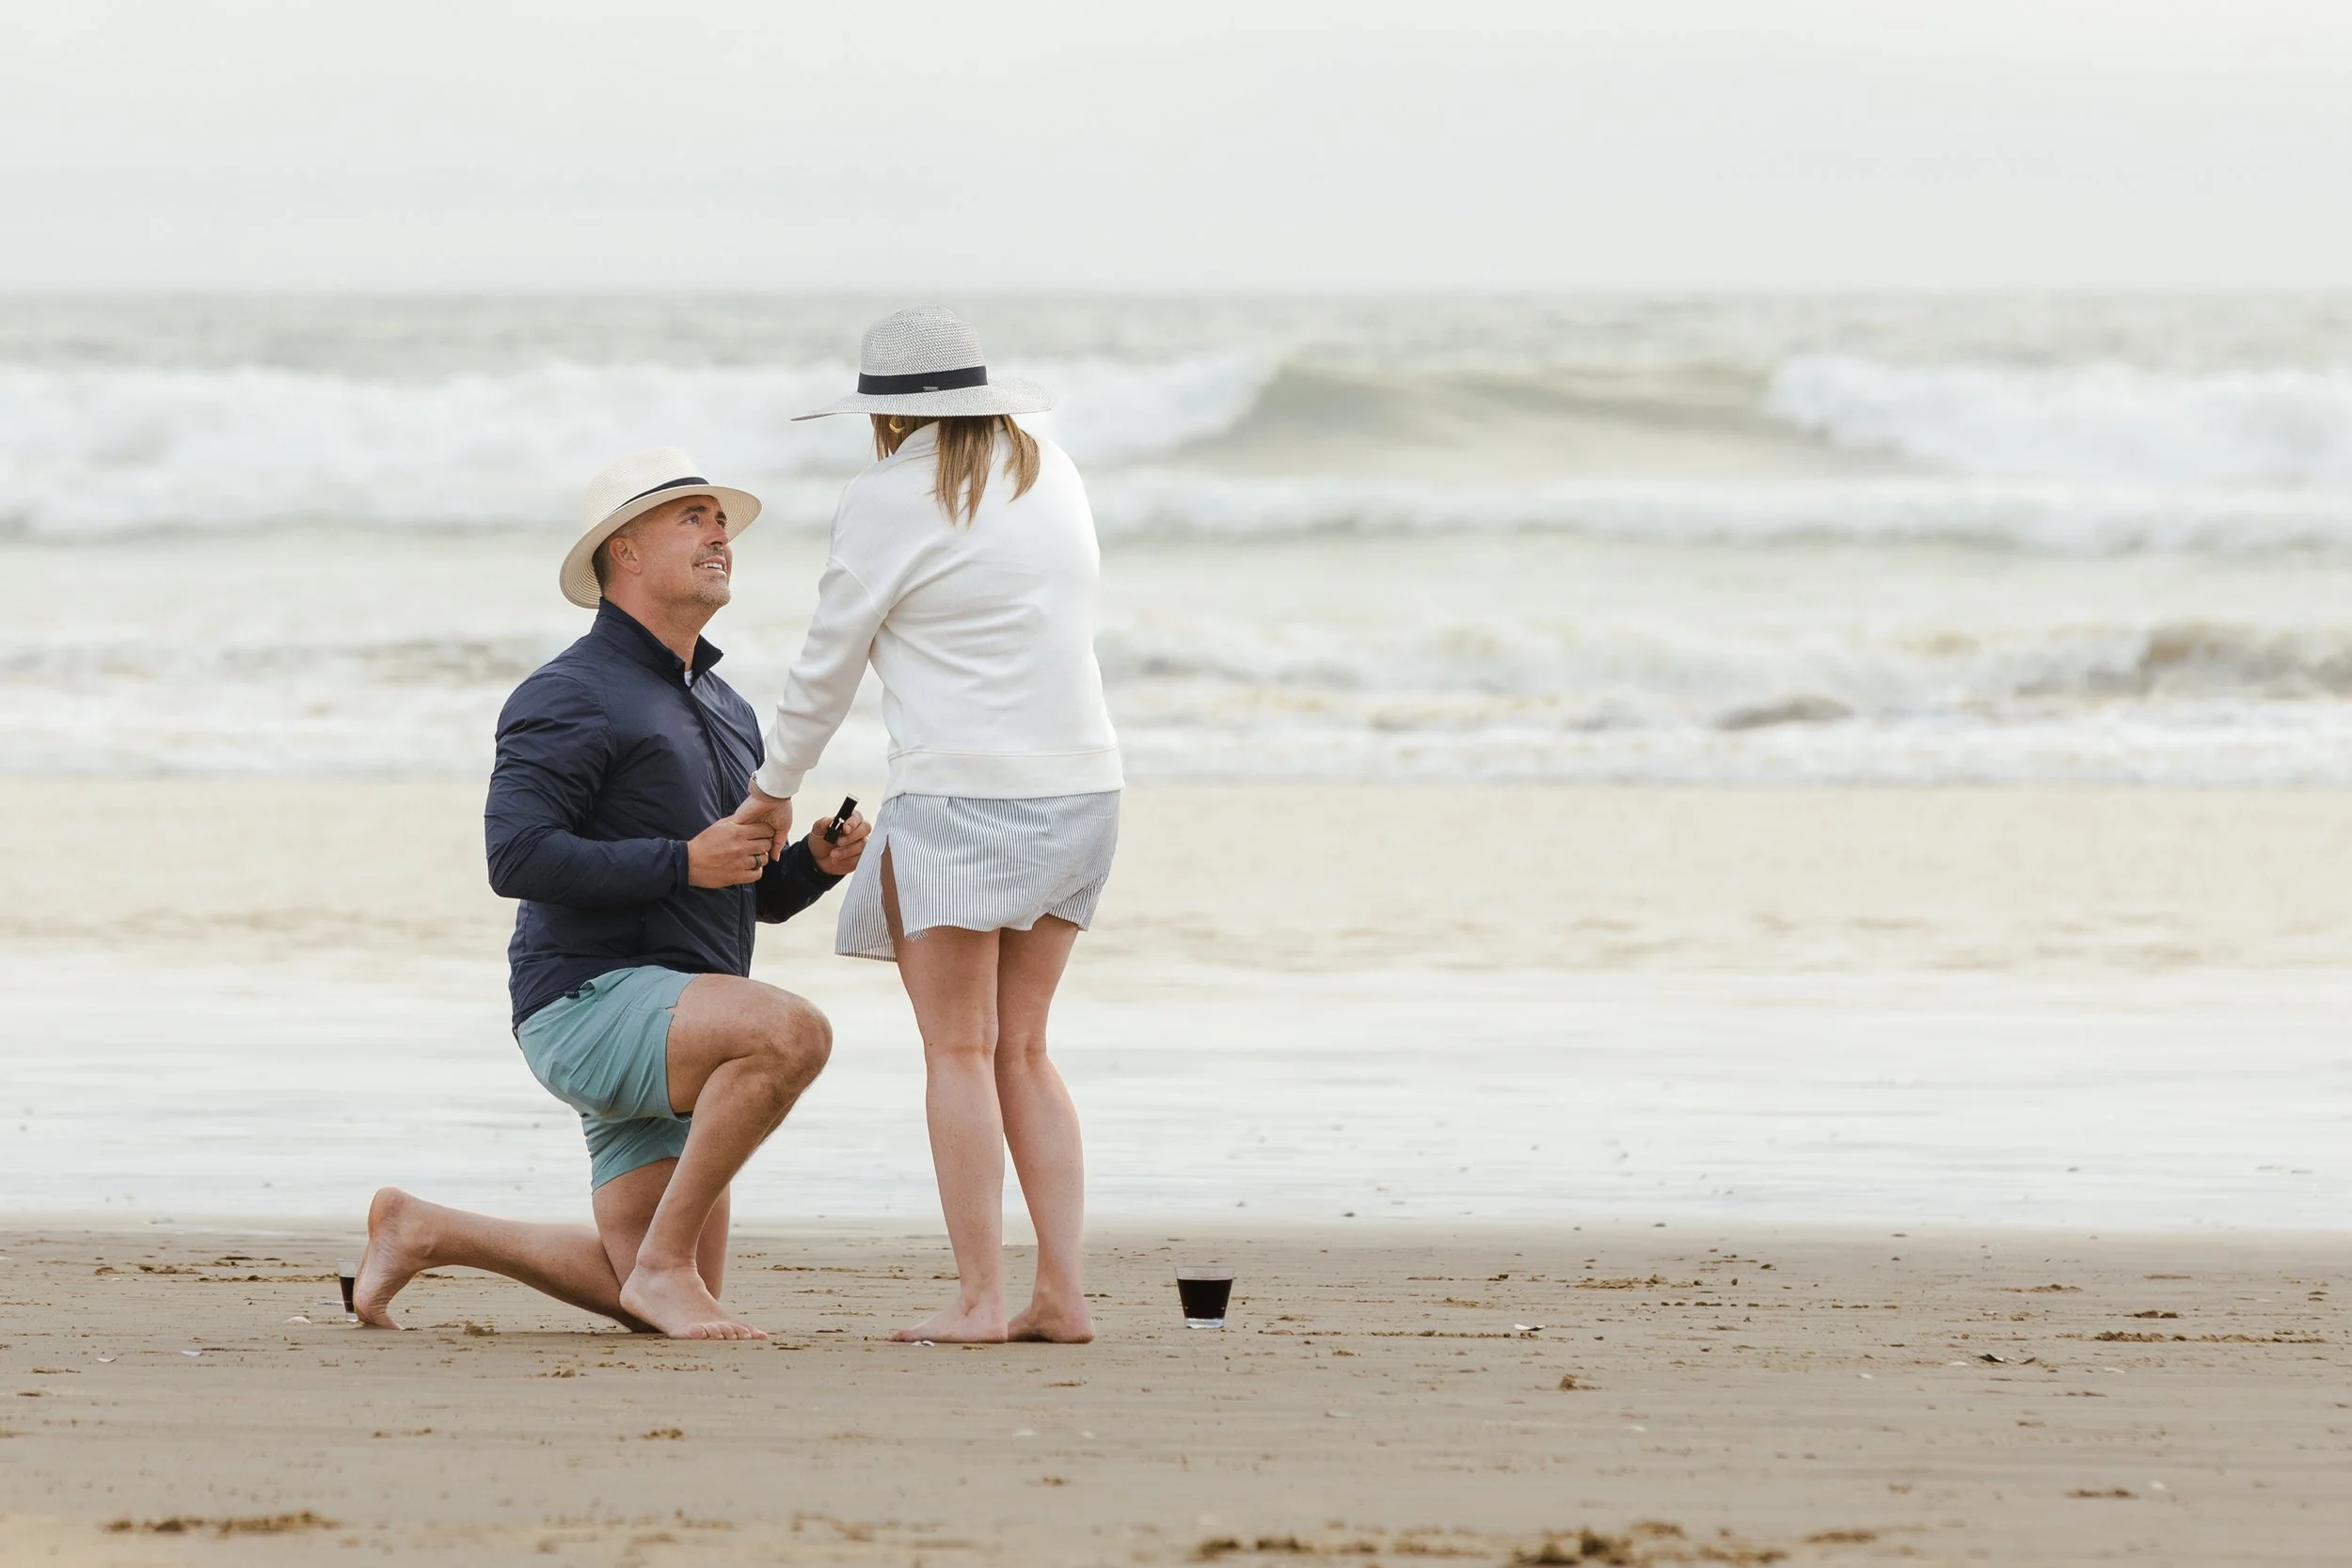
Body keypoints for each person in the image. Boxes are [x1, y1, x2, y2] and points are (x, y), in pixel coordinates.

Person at [353, 448, 870, 1340]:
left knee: (640, 1287)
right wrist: (682, 861)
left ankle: (424, 1228)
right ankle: (665, 1262)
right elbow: (514, 856)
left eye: (722, 520)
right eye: (692, 518)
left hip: (682, 1023)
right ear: (623, 551)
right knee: (793, 1032)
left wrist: (809, 868)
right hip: (587, 1002)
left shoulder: (728, 706)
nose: (720, 535)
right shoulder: (569, 693)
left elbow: (737, 888)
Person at [737, 306, 1121, 1345]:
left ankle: (979, 1298)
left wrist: (773, 786)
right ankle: (1063, 1293)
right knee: (1026, 1047)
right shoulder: (1052, 468)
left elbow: (828, 660)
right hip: (1084, 784)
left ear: (884, 414)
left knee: (958, 1047)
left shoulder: (884, 497)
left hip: (959, 793)